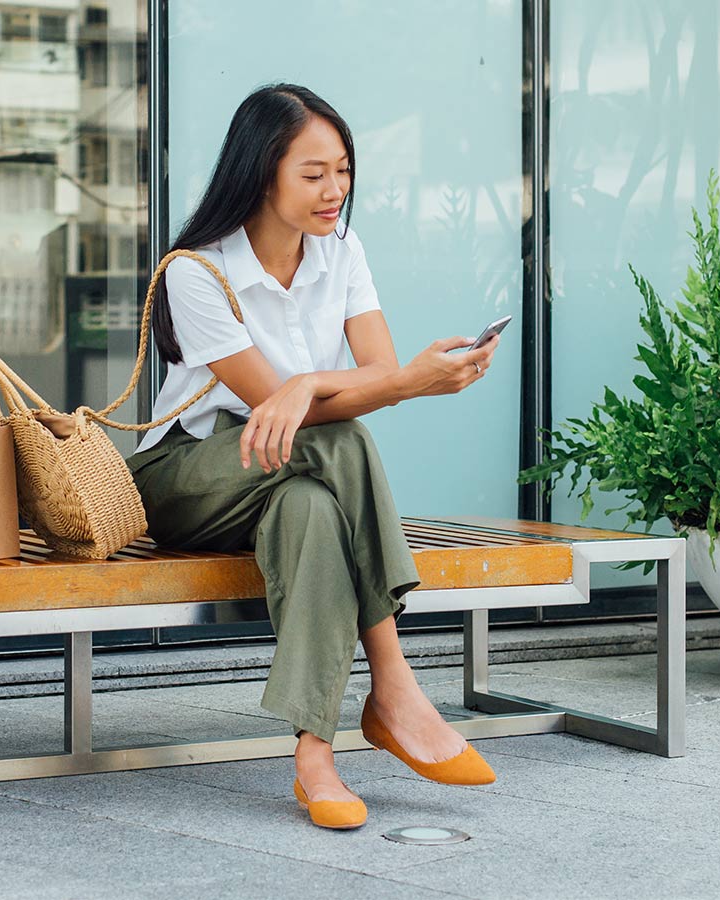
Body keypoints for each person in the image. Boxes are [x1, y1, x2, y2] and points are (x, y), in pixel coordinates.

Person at [127, 84, 501, 830]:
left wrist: (316, 383)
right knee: (338, 439)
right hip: (186, 478)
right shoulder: (195, 272)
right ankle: (393, 685)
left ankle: (315, 758)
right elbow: (288, 413)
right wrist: (344, 389)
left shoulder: (342, 251)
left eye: (343, 170)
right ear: (262, 173)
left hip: (284, 480)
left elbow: (376, 372)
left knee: (313, 511)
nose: (336, 190)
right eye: (313, 174)